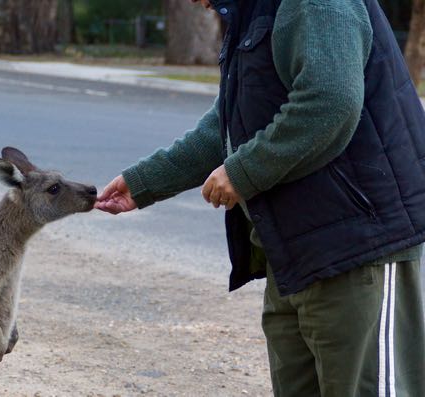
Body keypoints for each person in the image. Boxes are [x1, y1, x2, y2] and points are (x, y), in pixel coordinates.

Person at [95, 0, 425, 395]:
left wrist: (243, 172)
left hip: (357, 251)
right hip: (292, 256)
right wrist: (144, 182)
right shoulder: (254, 10)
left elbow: (331, 99)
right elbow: (230, 121)